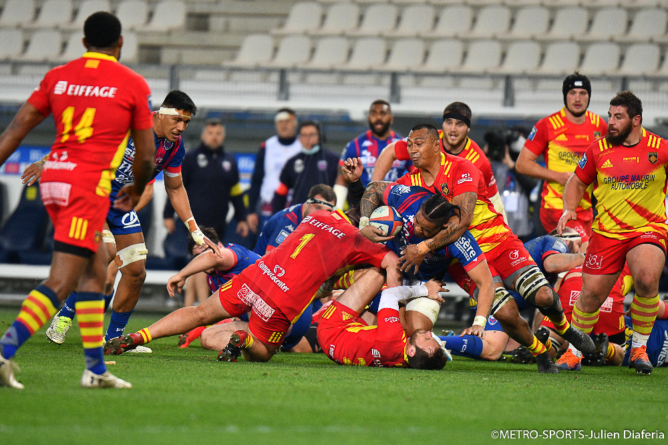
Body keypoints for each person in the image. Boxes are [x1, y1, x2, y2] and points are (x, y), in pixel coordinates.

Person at [0, 12, 155, 389]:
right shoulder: (132, 84)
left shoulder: (58, 76)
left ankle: (95, 370)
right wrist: (136, 187)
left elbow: (17, 128)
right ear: (120, 44)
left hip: (53, 180)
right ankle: (4, 352)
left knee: (94, 273)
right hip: (88, 185)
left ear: (83, 43)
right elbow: (147, 157)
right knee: (61, 280)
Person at [363, 124, 596, 372]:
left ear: (435, 144)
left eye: (418, 144)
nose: (412, 150)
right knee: (506, 313)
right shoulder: (410, 182)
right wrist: (365, 223)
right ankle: (540, 353)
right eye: (409, 145)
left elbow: (463, 220)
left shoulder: (463, 167)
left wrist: (423, 247)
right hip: (461, 258)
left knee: (543, 296)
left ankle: (566, 329)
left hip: (497, 240)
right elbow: (376, 188)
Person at [40, 90, 220, 351]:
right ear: (159, 114)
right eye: (177, 120)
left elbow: (175, 188)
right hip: (93, 196)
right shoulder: (127, 125)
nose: (181, 127)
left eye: (187, 122)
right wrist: (45, 161)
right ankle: (66, 314)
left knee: (136, 272)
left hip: (121, 205)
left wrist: (194, 229)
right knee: (107, 253)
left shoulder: (174, 147)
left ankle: (114, 339)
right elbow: (81, 142)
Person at [105, 208, 401, 364]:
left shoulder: (319, 216)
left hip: (256, 275)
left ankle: (139, 336)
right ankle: (243, 340)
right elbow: (391, 263)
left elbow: (316, 251)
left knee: (198, 314)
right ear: (383, 234)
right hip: (281, 300)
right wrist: (394, 297)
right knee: (264, 352)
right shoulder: (361, 243)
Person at [558, 91, 668, 375]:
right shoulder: (597, 149)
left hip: (647, 229)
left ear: (636, 120)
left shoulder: (661, 148)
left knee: (646, 278)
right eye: (610, 116)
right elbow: (577, 182)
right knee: (591, 295)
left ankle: (640, 347)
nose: (611, 122)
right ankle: (573, 353)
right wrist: (569, 208)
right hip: (606, 234)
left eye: (618, 117)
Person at [371, 102, 507, 221]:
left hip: (451, 217)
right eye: (449, 123)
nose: (453, 129)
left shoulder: (478, 161)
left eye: (459, 124)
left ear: (468, 128)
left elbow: (494, 202)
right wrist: (373, 191)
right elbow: (389, 152)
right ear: (443, 124)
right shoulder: (426, 139)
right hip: (419, 205)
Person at [516, 73, 607, 246]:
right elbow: (522, 164)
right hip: (556, 207)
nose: (578, 98)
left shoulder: (599, 125)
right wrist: (558, 176)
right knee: (582, 250)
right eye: (573, 93)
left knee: (577, 262)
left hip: (586, 209)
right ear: (565, 95)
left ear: (589, 96)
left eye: (583, 93)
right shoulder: (547, 125)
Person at [318, 280, 447, 369]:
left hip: (331, 330)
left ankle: (326, 284)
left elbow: (389, 294)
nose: (429, 333)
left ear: (411, 351)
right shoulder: (412, 361)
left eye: (427, 338)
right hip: (339, 350)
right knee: (385, 314)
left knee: (380, 272)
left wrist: (425, 289)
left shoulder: (392, 337)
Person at [163, 118, 250, 243]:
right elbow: (176, 188)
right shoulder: (191, 158)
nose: (214, 137)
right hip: (193, 224)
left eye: (218, 134)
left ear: (223, 136)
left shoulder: (230, 160)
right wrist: (168, 215)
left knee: (216, 258)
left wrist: (242, 219)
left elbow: (236, 192)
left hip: (219, 225)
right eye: (210, 133)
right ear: (203, 136)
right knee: (195, 258)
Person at [333, 100, 406, 209]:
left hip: (396, 210)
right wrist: (336, 210)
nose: (378, 118)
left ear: (391, 119)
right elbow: (342, 177)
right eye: (374, 114)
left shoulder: (403, 145)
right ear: (368, 118)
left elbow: (416, 174)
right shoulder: (355, 145)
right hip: (362, 207)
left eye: (383, 113)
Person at [247, 108, 302, 231]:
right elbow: (257, 179)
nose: (284, 125)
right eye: (280, 121)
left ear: (295, 123)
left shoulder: (302, 145)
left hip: (296, 206)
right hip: (269, 206)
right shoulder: (267, 146)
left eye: (287, 121)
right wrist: (251, 211)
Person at [272, 120, 339, 213]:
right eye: (304, 135)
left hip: (327, 217)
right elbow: (281, 192)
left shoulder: (333, 159)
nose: (308, 138)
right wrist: (277, 217)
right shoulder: (292, 162)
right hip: (299, 216)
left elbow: (343, 188)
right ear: (299, 138)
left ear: (319, 136)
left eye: (312, 134)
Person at [254, 184, 336, 255]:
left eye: (327, 212)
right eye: (317, 208)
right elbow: (269, 262)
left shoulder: (319, 222)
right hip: (261, 269)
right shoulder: (287, 222)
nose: (320, 215)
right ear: (308, 202)